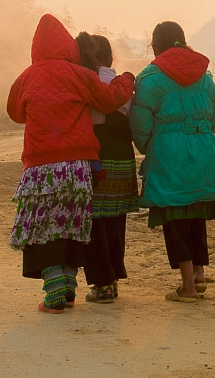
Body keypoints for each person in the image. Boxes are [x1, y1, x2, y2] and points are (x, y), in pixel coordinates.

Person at [5, 13, 135, 314]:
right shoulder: (78, 74)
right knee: (72, 226)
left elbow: (15, 112)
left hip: (39, 170)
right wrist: (126, 79)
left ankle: (54, 296)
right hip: (77, 167)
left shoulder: (26, 77)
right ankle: (69, 290)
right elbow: (109, 99)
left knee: (42, 228)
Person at [130, 20, 215, 303]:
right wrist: (199, 136)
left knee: (174, 218)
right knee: (196, 211)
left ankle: (187, 287)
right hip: (204, 150)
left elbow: (140, 125)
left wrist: (149, 146)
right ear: (183, 42)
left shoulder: (149, 78)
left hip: (169, 155)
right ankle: (198, 272)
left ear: (156, 47)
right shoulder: (205, 76)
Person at [75, 31, 136, 303]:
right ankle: (112, 277)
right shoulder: (122, 84)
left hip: (94, 152)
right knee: (114, 218)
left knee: (93, 219)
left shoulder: (84, 81)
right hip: (122, 154)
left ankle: (102, 282)